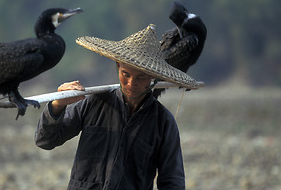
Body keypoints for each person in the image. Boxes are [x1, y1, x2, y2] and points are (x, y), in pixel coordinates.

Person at [35, 24, 202, 189]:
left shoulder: (163, 123)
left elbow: (172, 181)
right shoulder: (95, 102)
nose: (131, 83)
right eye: (126, 74)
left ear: (152, 76)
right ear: (117, 66)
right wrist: (58, 104)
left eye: (140, 77)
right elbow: (45, 140)